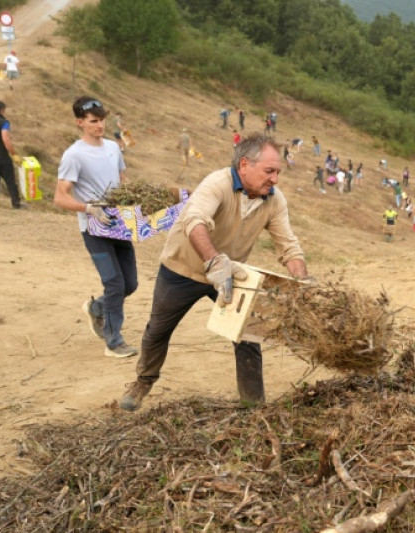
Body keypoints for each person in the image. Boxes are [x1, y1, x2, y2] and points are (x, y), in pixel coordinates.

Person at [119, 133, 309, 411]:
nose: (275, 179)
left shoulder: (274, 200)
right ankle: (143, 382)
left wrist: (303, 283)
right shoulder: (217, 184)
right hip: (183, 269)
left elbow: (289, 247)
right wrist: (214, 261)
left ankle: (252, 404)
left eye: (278, 172)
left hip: (232, 275)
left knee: (248, 334)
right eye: (269, 171)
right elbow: (194, 221)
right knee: (158, 330)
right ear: (245, 165)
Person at [53, 96, 138, 358]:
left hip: (118, 225)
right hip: (93, 229)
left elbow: (123, 181)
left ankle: (96, 308)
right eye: (93, 121)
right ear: (80, 122)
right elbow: (60, 196)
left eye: (101, 120)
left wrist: (134, 202)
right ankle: (114, 342)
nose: (99, 125)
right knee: (114, 283)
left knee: (130, 284)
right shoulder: (74, 155)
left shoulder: (113, 147)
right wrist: (89, 208)